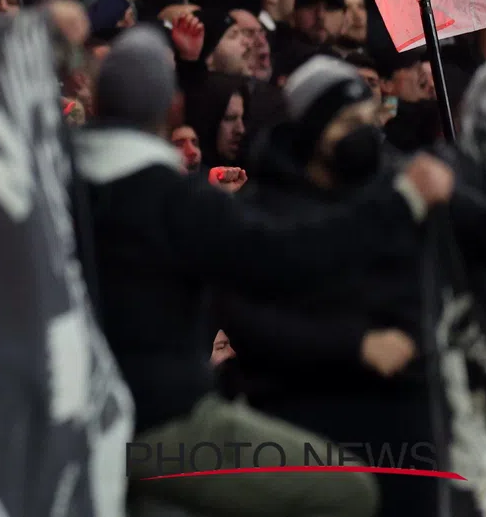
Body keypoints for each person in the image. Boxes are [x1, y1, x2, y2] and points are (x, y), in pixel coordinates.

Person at [77, 27, 456, 517]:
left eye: (369, 119)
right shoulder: (184, 200)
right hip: (193, 414)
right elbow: (279, 267)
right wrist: (354, 342)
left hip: (396, 409)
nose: (362, 135)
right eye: (346, 122)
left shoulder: (63, 182)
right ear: (174, 109)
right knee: (347, 493)